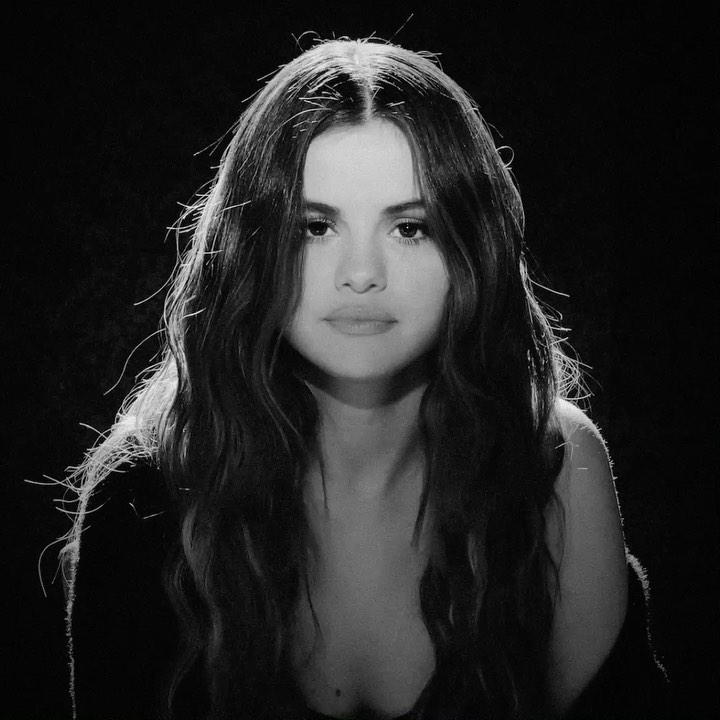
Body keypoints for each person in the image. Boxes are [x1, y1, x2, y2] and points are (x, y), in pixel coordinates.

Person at [56, 38, 669, 720]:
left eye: (410, 228)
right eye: (315, 227)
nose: (360, 274)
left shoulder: (554, 466)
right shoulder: (144, 493)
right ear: (250, 246)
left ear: (473, 248)